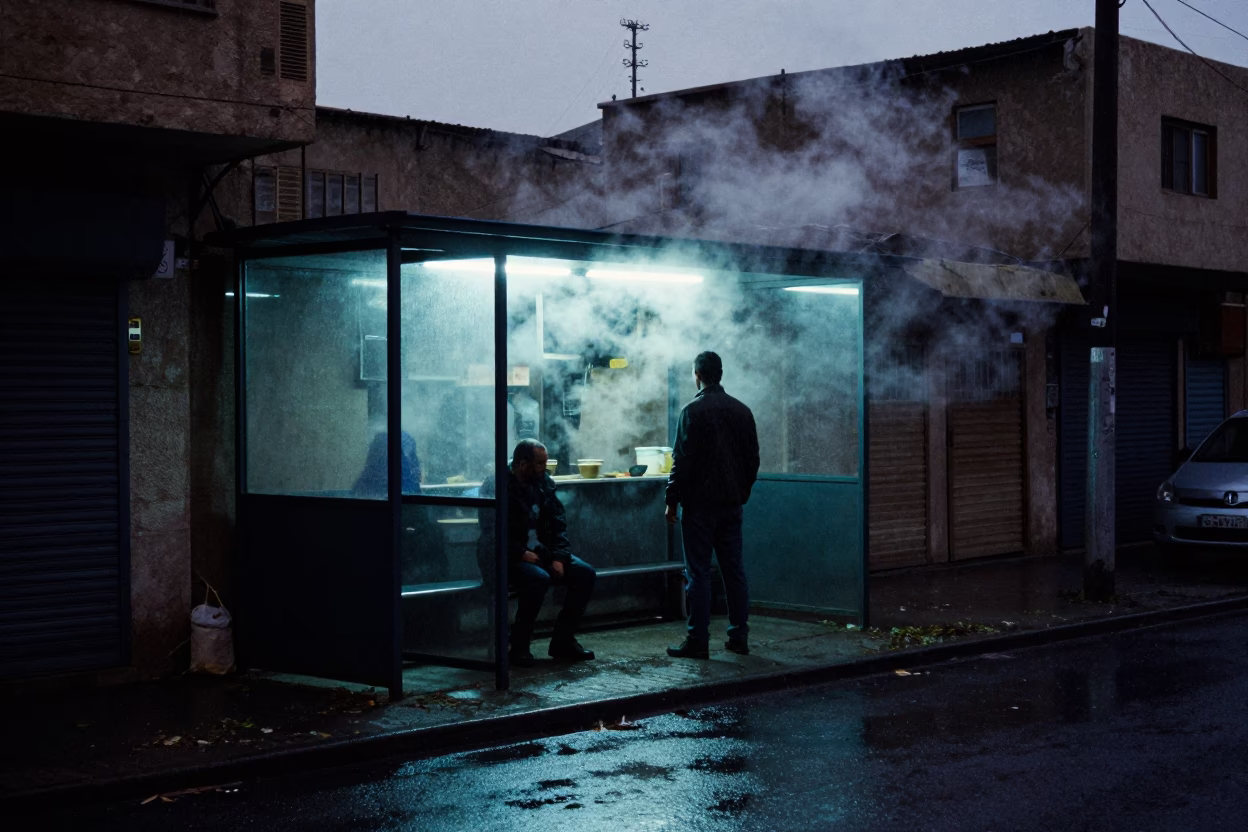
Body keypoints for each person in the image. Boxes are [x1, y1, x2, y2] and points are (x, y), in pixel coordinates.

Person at [665, 351, 760, 659]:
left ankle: (698, 640)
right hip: (731, 505)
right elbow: (753, 460)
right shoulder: (742, 411)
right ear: (721, 374)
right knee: (734, 571)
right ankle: (739, 636)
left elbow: (681, 461)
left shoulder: (692, 411)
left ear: (697, 375)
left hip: (700, 508)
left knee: (699, 573)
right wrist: (741, 493)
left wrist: (671, 501)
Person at [482, 439, 596, 667]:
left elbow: (558, 524)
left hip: (543, 552)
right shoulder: (497, 485)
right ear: (522, 464)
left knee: (585, 574)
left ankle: (563, 641)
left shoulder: (544, 483)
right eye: (540, 463)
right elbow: (490, 530)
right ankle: (520, 646)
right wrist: (520, 552)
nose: (545, 468)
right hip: (505, 557)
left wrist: (559, 557)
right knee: (537, 579)